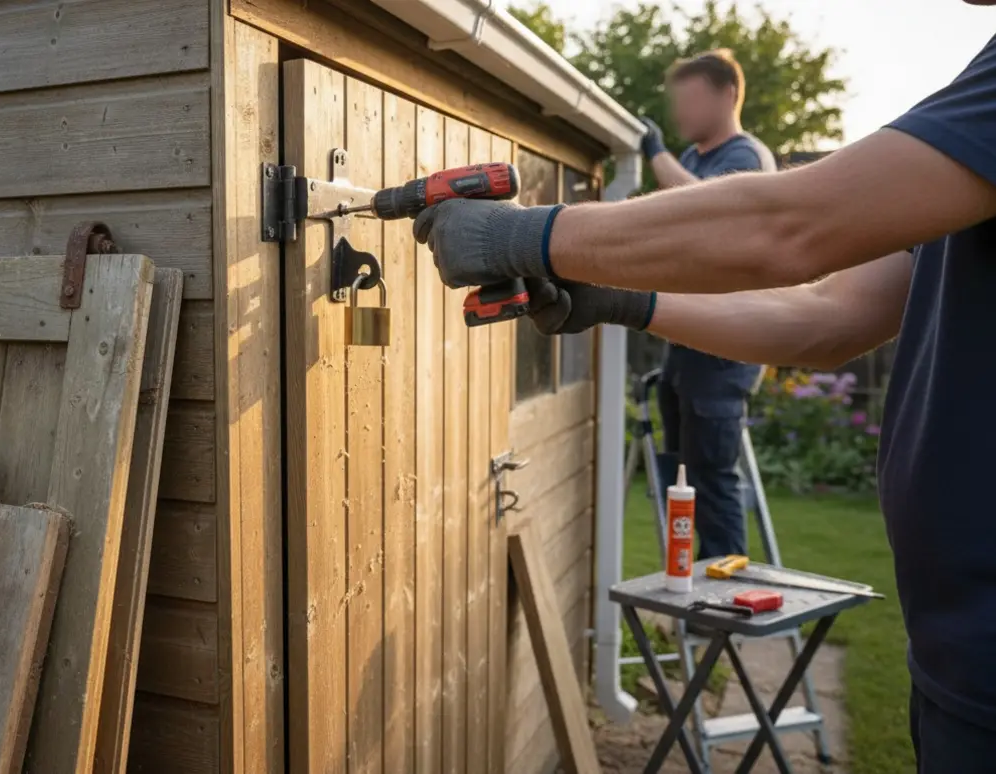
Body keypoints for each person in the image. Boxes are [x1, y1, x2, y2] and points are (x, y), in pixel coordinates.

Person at [411, 26, 996, 772]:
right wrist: (622, 300)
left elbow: (785, 226)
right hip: (955, 660)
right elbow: (822, 315)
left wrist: (526, 234)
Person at [640, 49, 777, 560]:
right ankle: (691, 587)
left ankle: (722, 609)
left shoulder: (745, 158)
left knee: (714, 481)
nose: (680, 115)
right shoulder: (694, 159)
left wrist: (655, 154)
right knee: (682, 477)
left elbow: (709, 214)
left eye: (690, 100)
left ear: (728, 95)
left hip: (725, 354)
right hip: (687, 346)